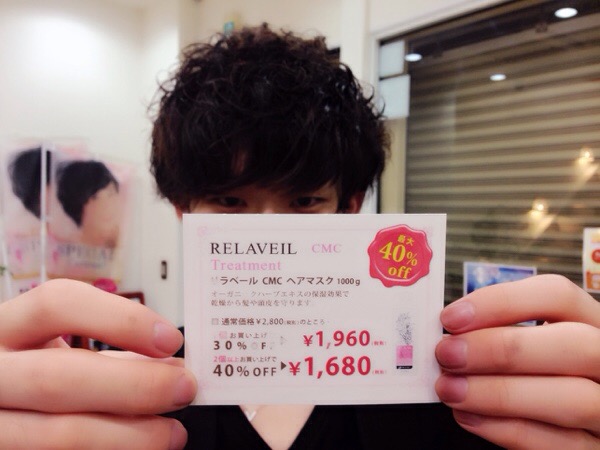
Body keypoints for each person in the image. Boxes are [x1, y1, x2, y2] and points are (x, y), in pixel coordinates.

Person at [0, 23, 598, 450]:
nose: (269, 236)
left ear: (352, 207)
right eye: (229, 202)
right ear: (184, 211)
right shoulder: (134, 404)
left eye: (305, 201)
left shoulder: (438, 392)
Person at [55, 160, 122, 248]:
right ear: (77, 206)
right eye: (95, 198)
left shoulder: (129, 241)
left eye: (111, 194)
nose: (107, 206)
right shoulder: (69, 251)